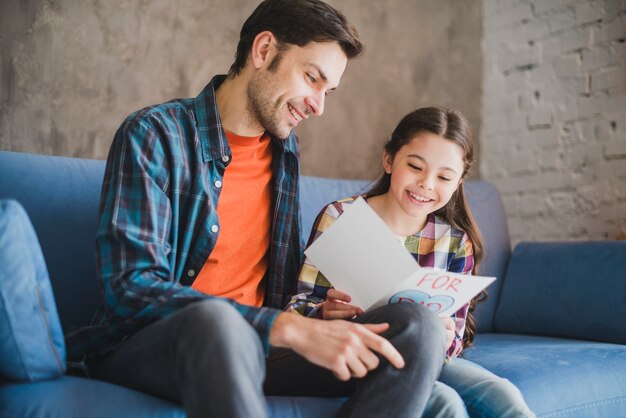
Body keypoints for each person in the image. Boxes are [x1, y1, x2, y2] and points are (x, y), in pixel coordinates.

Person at [66, 1, 447, 417]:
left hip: (261, 345)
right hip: (155, 344)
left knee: (417, 328)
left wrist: (319, 316)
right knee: (217, 323)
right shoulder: (155, 135)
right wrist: (284, 327)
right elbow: (130, 287)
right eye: (311, 78)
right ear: (263, 50)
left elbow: (276, 290)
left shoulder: (285, 150)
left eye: (328, 90)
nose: (319, 106)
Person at [287, 106, 536, 418]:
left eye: (444, 176)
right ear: (389, 160)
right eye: (416, 167)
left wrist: (445, 337)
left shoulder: (456, 242)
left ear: (458, 182)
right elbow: (296, 307)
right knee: (445, 403)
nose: (427, 184)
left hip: (426, 355)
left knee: (504, 396)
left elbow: (455, 337)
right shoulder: (341, 218)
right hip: (358, 347)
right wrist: (322, 312)